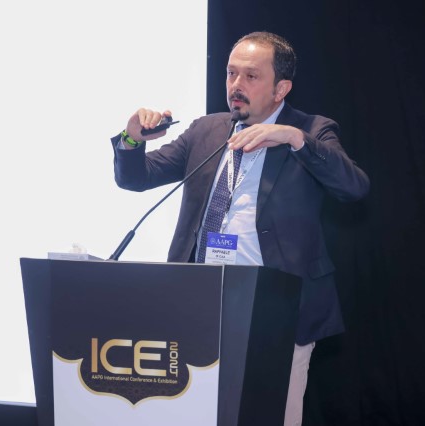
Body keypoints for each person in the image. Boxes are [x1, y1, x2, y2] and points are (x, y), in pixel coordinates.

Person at [111, 31, 369, 426]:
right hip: (200, 301)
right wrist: (131, 138)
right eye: (231, 73)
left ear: (281, 88)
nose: (236, 85)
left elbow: (353, 187)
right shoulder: (207, 130)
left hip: (279, 308)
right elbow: (136, 177)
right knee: (196, 414)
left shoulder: (311, 130)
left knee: (273, 416)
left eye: (251, 76)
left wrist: (294, 138)